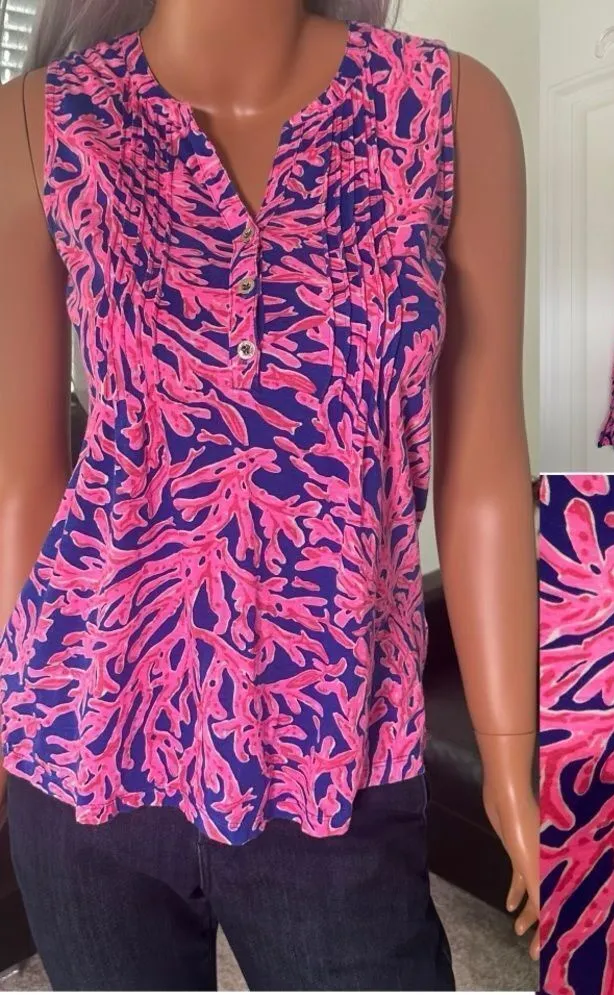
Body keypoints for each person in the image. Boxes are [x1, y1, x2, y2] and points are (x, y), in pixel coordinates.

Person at [0, 0, 539, 989]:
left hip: (338, 754)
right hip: (84, 751)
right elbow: (20, 481)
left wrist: (512, 754)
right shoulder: (40, 120)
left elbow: (484, 474)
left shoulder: (447, 106)